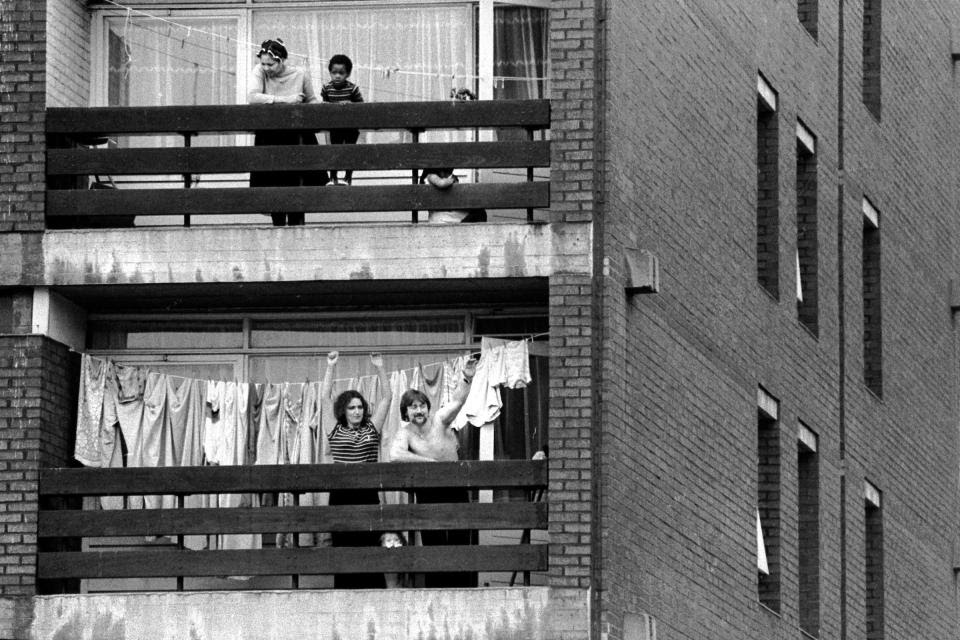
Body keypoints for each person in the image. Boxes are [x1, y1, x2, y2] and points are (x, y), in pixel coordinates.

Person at [389, 357, 478, 587]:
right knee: (433, 542)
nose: (418, 411)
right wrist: (428, 461)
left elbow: (458, 401)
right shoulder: (406, 432)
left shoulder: (439, 420)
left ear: (428, 408)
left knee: (459, 541)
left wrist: (467, 377)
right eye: (413, 407)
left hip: (455, 489)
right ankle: (437, 589)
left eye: (421, 406)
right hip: (428, 493)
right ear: (406, 413)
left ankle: (462, 589)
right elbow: (395, 454)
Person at [320, 350, 391, 589]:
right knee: (343, 547)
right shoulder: (334, 429)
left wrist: (380, 367)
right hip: (341, 495)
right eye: (351, 408)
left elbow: (387, 398)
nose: (357, 411)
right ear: (344, 410)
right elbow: (324, 398)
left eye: (360, 407)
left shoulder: (372, 428)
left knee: (370, 545)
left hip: (367, 493)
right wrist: (331, 366)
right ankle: (344, 594)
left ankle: (373, 593)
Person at [247, 38, 329, 226]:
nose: (266, 67)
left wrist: (324, 108)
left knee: (297, 184)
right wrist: (285, 100)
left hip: (297, 135)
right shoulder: (260, 71)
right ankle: (278, 228)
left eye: (271, 63)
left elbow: (311, 101)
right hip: (271, 135)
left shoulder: (300, 74)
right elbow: (252, 96)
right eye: (263, 63)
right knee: (274, 185)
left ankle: (297, 227)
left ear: (282, 60)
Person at [420, 88, 487, 223]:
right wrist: (451, 181)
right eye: (446, 171)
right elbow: (442, 183)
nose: (448, 173)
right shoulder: (431, 175)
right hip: (443, 216)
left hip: (450, 212)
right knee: (478, 213)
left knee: (479, 212)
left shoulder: (440, 172)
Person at [321, 54, 364, 186]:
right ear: (330, 73)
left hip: (351, 127)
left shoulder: (352, 88)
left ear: (348, 74)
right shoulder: (327, 88)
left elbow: (362, 106)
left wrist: (350, 104)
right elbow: (324, 104)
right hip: (335, 126)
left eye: (341, 73)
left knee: (348, 151)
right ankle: (333, 177)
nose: (337, 76)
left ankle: (348, 177)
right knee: (335, 151)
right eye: (334, 73)